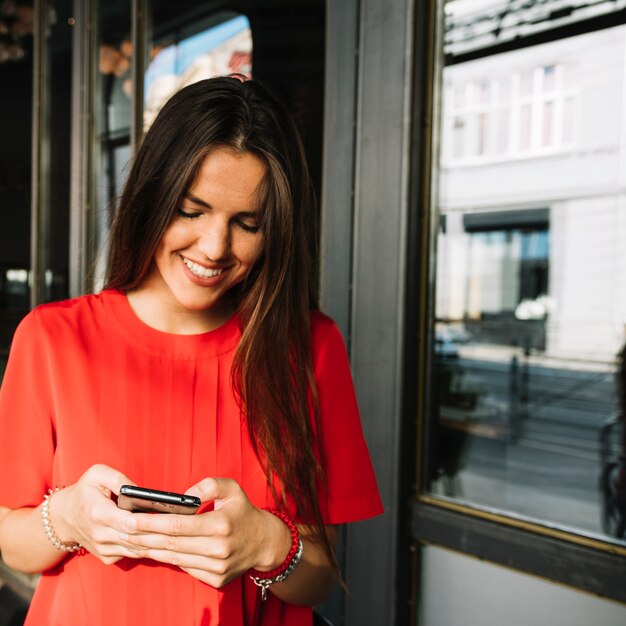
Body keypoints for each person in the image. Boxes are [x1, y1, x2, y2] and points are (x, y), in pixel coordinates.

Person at [0, 76, 383, 626]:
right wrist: (65, 518)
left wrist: (267, 546)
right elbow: (13, 546)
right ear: (152, 197)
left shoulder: (312, 347)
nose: (214, 248)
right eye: (191, 210)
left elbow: (320, 577)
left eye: (247, 224)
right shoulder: (53, 337)